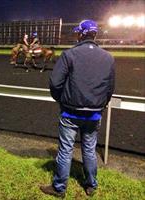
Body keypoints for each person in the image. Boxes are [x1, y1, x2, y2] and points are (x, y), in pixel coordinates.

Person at [40, 19, 115, 198]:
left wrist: (61, 100)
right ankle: (90, 185)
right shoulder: (108, 57)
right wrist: (100, 105)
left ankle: (59, 188)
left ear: (81, 34)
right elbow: (110, 88)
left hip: (70, 112)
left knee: (66, 149)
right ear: (94, 34)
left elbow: (55, 82)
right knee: (89, 149)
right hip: (95, 114)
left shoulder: (69, 54)